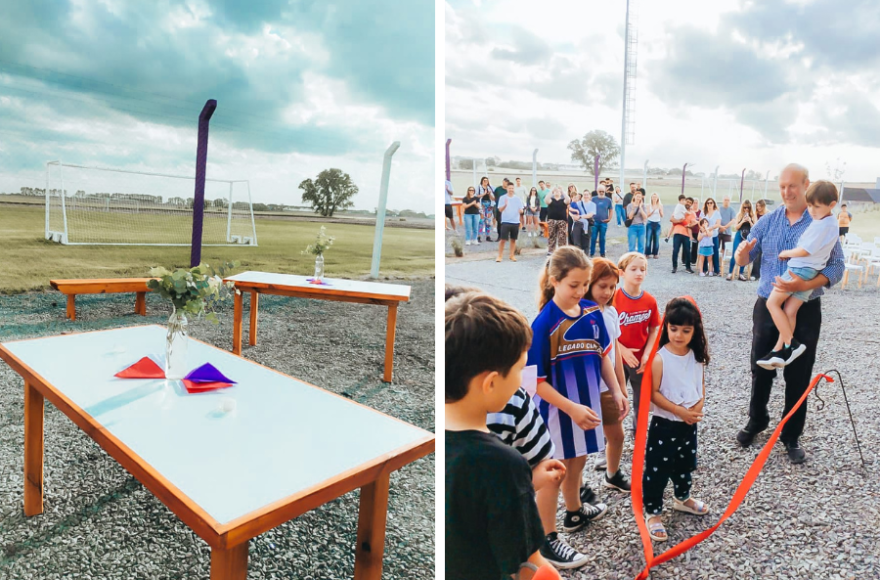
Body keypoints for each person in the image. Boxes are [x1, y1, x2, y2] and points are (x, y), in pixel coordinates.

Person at [443, 285, 586, 571]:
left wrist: (526, 482)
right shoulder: (503, 463)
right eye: (521, 368)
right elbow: (529, 567)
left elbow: (473, 507)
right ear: (491, 382)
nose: (523, 379)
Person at [734, 164, 844, 464]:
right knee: (761, 367)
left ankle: (791, 434)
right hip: (768, 304)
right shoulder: (768, 221)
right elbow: (745, 256)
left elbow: (837, 268)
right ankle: (757, 420)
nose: (786, 192)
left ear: (806, 185)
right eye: (782, 186)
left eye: (792, 186)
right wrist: (742, 255)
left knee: (799, 373)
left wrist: (804, 284)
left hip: (805, 307)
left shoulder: (822, 220)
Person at [529, 247, 628, 536]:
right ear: (554, 280)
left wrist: (618, 391)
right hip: (558, 412)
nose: (581, 291)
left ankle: (573, 512)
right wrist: (570, 408)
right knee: (556, 471)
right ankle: (546, 536)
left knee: (579, 461)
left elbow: (603, 357)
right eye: (574, 285)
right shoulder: (543, 324)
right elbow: (535, 382)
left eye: (585, 284)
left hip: (587, 406)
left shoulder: (592, 313)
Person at [643, 298, 711, 542]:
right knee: (657, 470)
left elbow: (700, 385)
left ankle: (682, 498)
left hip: (688, 424)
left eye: (686, 330)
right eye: (673, 329)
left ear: (695, 330)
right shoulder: (660, 358)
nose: (679, 335)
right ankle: (652, 512)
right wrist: (679, 411)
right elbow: (653, 395)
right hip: (665, 424)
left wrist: (697, 407)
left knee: (685, 464)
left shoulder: (696, 356)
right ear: (666, 328)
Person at [756, 181, 840, 370]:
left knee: (772, 302)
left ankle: (791, 344)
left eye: (817, 206)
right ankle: (780, 350)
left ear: (831, 205)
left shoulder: (822, 225)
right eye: (809, 205)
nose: (812, 210)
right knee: (790, 311)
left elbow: (805, 250)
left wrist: (787, 253)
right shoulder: (830, 223)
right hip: (810, 272)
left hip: (800, 268)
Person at [585, 258, 631, 491]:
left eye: (612, 286)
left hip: (608, 388)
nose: (607, 291)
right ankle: (577, 489)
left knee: (617, 435)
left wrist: (622, 388)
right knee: (580, 443)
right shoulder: (580, 314)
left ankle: (612, 474)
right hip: (584, 389)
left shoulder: (611, 312)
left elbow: (614, 352)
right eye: (602, 286)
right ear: (589, 283)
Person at [613, 252, 661, 435]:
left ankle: (639, 433)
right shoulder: (614, 299)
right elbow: (606, 333)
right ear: (622, 272)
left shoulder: (649, 300)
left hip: (641, 360)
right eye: (633, 269)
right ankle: (612, 435)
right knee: (615, 398)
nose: (639, 273)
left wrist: (648, 354)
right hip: (618, 359)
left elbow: (653, 329)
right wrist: (622, 350)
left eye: (643, 269)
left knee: (641, 399)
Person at [726, 200, 755, 281]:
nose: (746, 209)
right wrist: (742, 221)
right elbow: (736, 227)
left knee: (745, 254)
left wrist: (749, 220)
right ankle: (730, 272)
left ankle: (741, 273)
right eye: (744, 207)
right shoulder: (739, 215)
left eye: (748, 208)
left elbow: (755, 228)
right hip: (739, 234)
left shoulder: (753, 216)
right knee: (735, 252)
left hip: (748, 235)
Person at [498, 183, 525, 262]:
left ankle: (512, 255)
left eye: (512, 188)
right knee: (503, 239)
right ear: (507, 189)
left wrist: (521, 211)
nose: (511, 190)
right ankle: (500, 256)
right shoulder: (503, 198)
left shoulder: (517, 199)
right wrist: (505, 205)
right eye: (509, 188)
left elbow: (521, 209)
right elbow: (500, 210)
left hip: (515, 221)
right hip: (506, 221)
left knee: (513, 239)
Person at [670, 197, 696, 274]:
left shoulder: (692, 213)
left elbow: (693, 224)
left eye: (690, 202)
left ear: (691, 204)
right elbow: (671, 219)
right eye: (687, 201)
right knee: (675, 250)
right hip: (677, 232)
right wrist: (679, 221)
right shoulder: (679, 209)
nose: (688, 203)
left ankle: (688, 267)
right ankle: (674, 267)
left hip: (686, 234)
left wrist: (690, 225)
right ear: (684, 202)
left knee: (687, 251)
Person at [544, 186, 570, 255]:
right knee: (551, 235)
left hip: (562, 220)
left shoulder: (563, 201)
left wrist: (562, 191)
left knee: (562, 236)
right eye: (556, 191)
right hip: (552, 220)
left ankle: (562, 251)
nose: (557, 192)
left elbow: (568, 200)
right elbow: (546, 199)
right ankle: (551, 250)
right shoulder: (551, 200)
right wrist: (552, 190)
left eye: (558, 191)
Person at [590, 185, 613, 257]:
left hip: (604, 222)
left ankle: (602, 253)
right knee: (593, 237)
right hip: (594, 221)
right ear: (597, 191)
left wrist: (609, 218)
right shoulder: (593, 199)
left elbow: (611, 210)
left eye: (603, 191)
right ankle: (592, 252)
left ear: (605, 191)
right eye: (600, 191)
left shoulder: (608, 200)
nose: (601, 192)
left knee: (602, 238)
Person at [568, 190, 593, 254]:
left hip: (586, 225)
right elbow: (569, 210)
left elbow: (591, 215)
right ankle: (577, 258)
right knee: (576, 243)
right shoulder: (577, 203)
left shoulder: (591, 204)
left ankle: (586, 257)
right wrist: (573, 216)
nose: (586, 196)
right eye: (584, 195)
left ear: (590, 196)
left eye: (587, 195)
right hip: (577, 224)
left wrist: (580, 217)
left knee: (586, 244)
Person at [702, 198, 722, 276]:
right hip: (705, 236)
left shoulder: (716, 213)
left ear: (714, 204)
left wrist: (711, 228)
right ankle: (705, 269)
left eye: (711, 203)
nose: (709, 204)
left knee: (715, 252)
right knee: (705, 251)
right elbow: (701, 222)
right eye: (708, 203)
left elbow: (718, 224)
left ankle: (716, 270)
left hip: (714, 235)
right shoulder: (704, 213)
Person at [751, 200, 767, 281]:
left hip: (766, 236)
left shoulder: (768, 214)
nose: (758, 208)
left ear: (763, 206)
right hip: (758, 236)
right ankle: (755, 274)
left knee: (766, 256)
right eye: (757, 206)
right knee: (757, 255)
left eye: (760, 206)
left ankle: (764, 274)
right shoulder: (755, 214)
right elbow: (755, 225)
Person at [477, 176, 495, 242]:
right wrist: (484, 194)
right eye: (484, 180)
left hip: (489, 205)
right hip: (482, 205)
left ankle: (488, 236)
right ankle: (479, 236)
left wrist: (489, 194)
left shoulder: (490, 188)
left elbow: (493, 198)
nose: (485, 182)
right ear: (482, 181)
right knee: (481, 221)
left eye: (487, 181)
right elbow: (476, 196)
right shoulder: (479, 187)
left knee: (488, 221)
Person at [645, 193, 664, 259]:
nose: (654, 198)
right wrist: (653, 210)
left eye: (655, 197)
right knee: (648, 238)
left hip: (657, 223)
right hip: (650, 222)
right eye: (653, 197)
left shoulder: (660, 205)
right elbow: (647, 215)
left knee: (656, 239)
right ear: (651, 198)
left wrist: (660, 210)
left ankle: (655, 253)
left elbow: (662, 215)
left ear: (658, 198)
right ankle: (647, 253)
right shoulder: (648, 205)